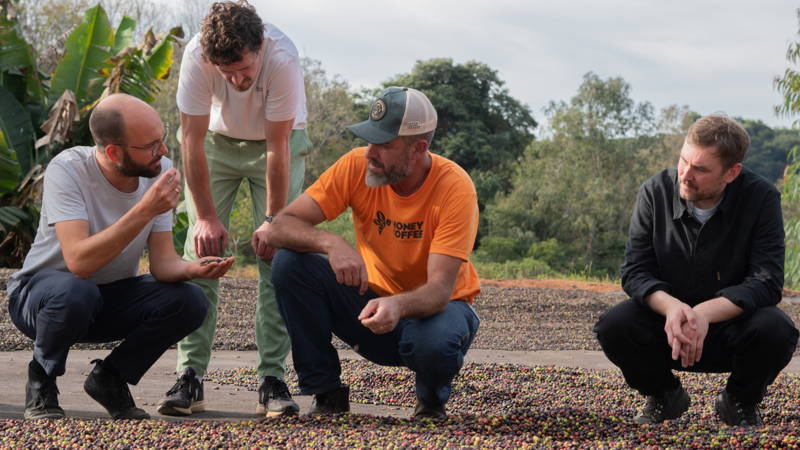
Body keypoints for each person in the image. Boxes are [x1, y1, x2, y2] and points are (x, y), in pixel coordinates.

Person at [5, 94, 234, 420]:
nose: (164, 152)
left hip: (106, 298)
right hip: (41, 298)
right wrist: (145, 209)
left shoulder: (159, 171)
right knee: (76, 290)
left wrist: (192, 268)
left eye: (163, 140)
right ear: (113, 152)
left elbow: (162, 264)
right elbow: (79, 263)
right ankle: (42, 377)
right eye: (152, 146)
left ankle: (110, 378)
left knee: (191, 301)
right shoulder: (68, 170)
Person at [265, 86, 481, 419]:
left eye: (384, 144)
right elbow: (281, 226)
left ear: (418, 149)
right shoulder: (356, 166)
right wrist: (332, 243)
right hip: (371, 307)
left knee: (435, 342)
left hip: (436, 312)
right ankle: (327, 394)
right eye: (370, 140)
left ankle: (430, 400)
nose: (370, 153)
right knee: (290, 263)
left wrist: (397, 304)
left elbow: (439, 290)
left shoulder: (454, 186)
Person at [594, 115, 799, 427]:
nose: (685, 175)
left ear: (732, 173)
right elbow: (635, 271)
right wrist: (673, 308)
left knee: (778, 330)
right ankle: (664, 395)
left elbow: (766, 280)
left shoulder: (760, 197)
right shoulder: (655, 191)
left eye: (700, 169)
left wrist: (704, 313)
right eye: (683, 161)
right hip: (667, 327)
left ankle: (739, 401)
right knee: (614, 325)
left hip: (731, 328)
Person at [158, 0, 310, 418]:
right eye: (226, 73)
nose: (237, 80)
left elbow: (278, 149)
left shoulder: (282, 57)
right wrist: (204, 216)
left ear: (259, 46)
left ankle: (272, 378)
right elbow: (190, 140)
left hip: (277, 143)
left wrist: (272, 223)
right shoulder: (196, 57)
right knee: (200, 250)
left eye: (243, 69)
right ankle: (189, 375)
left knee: (276, 259)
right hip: (216, 143)